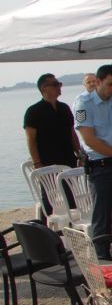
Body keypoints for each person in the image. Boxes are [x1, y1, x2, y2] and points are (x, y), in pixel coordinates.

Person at [74, 63, 112, 258]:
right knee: (102, 215)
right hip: (101, 165)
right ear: (98, 82)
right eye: (109, 84)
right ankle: (103, 257)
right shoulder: (84, 104)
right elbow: (88, 138)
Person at [24, 73, 81, 219]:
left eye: (59, 84)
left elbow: (72, 133)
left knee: (71, 194)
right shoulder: (33, 111)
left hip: (68, 159)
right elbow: (31, 140)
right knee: (48, 197)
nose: (59, 87)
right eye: (55, 84)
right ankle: (44, 227)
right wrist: (37, 163)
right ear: (44, 88)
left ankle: (72, 224)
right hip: (47, 161)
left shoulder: (64, 108)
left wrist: (80, 153)